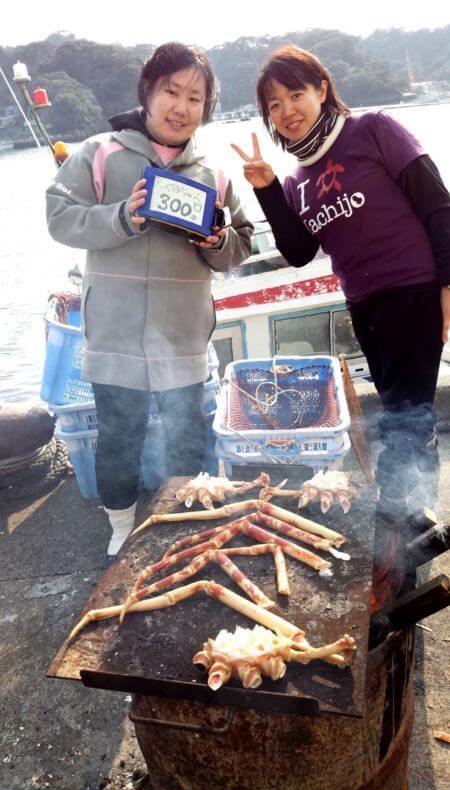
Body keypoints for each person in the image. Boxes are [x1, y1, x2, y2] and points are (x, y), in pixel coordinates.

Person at [46, 42, 253, 555]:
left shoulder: (215, 173)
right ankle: (121, 525)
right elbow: (58, 215)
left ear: (207, 108)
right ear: (147, 92)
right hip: (114, 338)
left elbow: (241, 245)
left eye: (196, 97)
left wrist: (218, 241)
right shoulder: (102, 153)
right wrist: (122, 217)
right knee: (118, 436)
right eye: (172, 91)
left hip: (182, 340)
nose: (182, 107)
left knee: (186, 435)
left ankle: (186, 521)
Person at [232, 45, 450, 519]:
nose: (286, 111)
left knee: (403, 420)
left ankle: (398, 526)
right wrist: (267, 188)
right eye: (274, 104)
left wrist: (447, 283)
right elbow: (298, 251)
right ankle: (419, 515)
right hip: (366, 308)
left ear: (322, 89)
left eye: (295, 94)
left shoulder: (373, 129)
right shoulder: (296, 181)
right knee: (405, 411)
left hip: (413, 291)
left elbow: (436, 202)